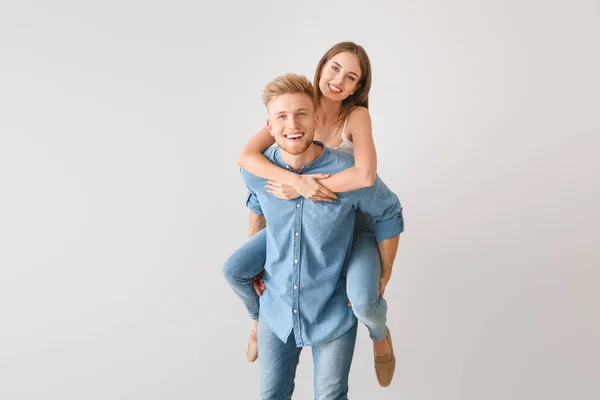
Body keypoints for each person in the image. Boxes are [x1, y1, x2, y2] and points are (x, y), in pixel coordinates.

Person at [224, 41, 402, 387]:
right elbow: (249, 161)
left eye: (351, 77)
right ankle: (259, 320)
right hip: (295, 216)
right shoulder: (295, 104)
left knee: (365, 300)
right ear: (321, 67)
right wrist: (295, 182)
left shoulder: (355, 116)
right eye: (334, 68)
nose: (339, 80)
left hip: (349, 222)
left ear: (358, 87)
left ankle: (379, 335)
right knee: (236, 269)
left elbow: (365, 176)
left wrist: (386, 270)